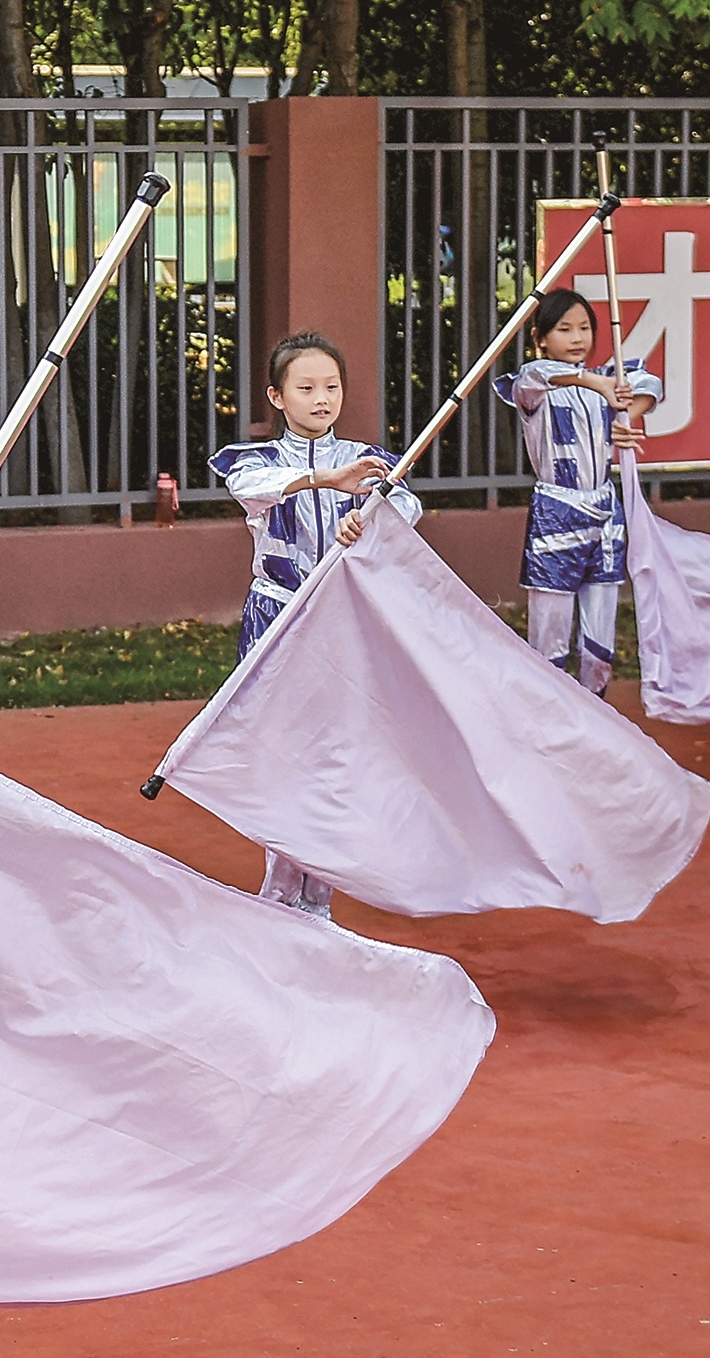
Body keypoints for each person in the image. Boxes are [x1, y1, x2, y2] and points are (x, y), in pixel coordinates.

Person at [209, 331, 423, 920]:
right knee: (283, 753)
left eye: (331, 387)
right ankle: (278, 893)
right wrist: (329, 483)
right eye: (306, 388)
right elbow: (252, 490)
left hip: (341, 618)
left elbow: (406, 510)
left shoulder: (367, 459)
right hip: (277, 616)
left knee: (333, 755)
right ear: (277, 397)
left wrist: (370, 519)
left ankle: (319, 898)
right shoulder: (253, 461)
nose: (322, 398)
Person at [494, 289, 660, 696]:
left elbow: (650, 386)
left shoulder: (610, 378)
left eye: (585, 328)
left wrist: (625, 416)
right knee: (549, 637)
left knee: (599, 641)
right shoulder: (534, 386)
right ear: (540, 338)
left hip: (605, 512)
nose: (577, 337)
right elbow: (535, 376)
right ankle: (548, 720)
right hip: (558, 512)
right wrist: (598, 384)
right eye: (564, 329)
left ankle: (596, 715)